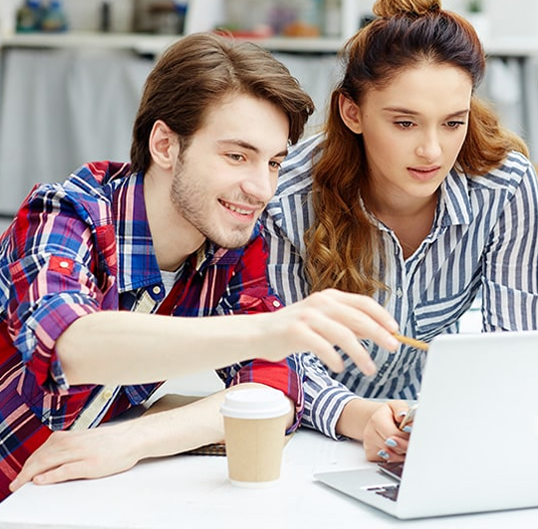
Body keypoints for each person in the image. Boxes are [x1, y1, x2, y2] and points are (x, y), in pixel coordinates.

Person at [0, 32, 402, 501]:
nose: (261, 188)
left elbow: (275, 389)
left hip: (52, 501)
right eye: (237, 156)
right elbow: (72, 344)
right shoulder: (65, 213)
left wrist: (134, 439)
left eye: (273, 162)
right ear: (166, 145)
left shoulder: (228, 246)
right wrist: (270, 330)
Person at [262, 0, 538, 464]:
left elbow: (511, 349)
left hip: (427, 429)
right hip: (308, 433)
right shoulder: (289, 196)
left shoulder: (505, 185)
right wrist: (359, 416)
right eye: (405, 123)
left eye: (453, 122)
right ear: (353, 112)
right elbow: (277, 356)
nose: (432, 151)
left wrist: (458, 421)